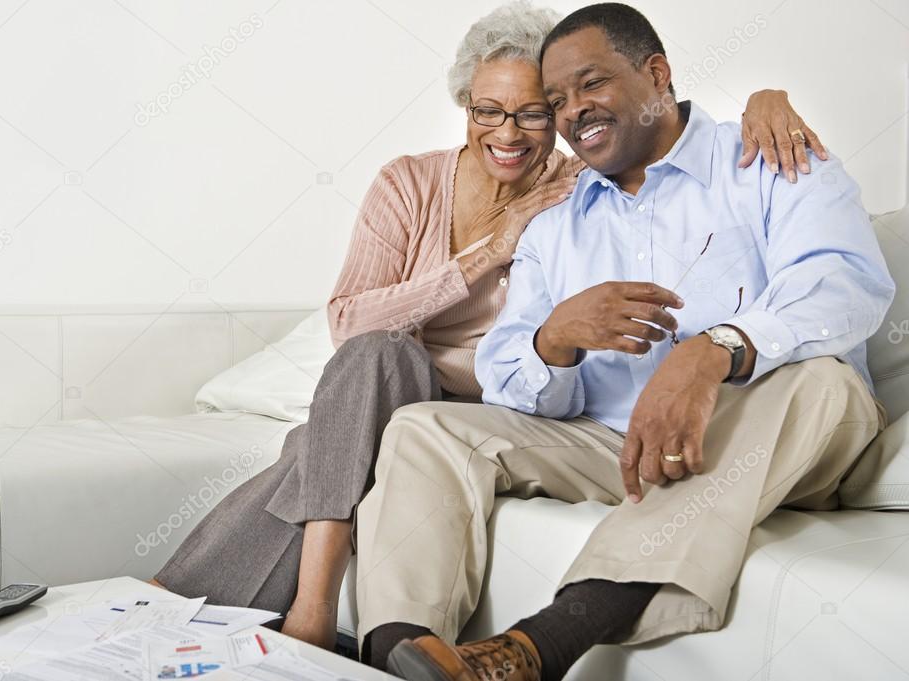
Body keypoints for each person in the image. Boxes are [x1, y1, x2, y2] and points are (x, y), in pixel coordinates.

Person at [152, 1, 830, 651]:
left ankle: (167, 599)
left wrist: (763, 100)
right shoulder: (410, 184)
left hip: (497, 404)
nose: (507, 133)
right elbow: (346, 321)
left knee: (325, 439)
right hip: (392, 385)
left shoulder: (580, 184)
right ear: (464, 107)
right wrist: (491, 247)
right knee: (377, 358)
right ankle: (321, 611)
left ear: (556, 115)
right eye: (488, 111)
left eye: (534, 112)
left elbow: (661, 127)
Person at [355, 3, 895, 678]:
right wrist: (552, 341)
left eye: (591, 83)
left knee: (820, 379)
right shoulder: (556, 225)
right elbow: (507, 379)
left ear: (656, 73)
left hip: (787, 433)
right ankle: (399, 657)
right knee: (422, 428)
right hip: (618, 442)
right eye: (555, 100)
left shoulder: (766, 159)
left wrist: (714, 349)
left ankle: (535, 647)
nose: (572, 110)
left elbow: (844, 285)